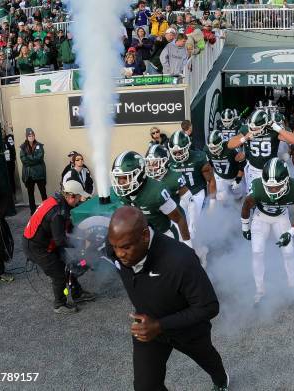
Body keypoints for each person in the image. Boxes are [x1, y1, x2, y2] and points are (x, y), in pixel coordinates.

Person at [106, 206, 229, 391]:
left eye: (125, 247)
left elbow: (209, 307)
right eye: (114, 246)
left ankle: (221, 380)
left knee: (209, 361)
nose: (119, 254)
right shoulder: (116, 248)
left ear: (145, 236)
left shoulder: (180, 260)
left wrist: (160, 325)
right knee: (145, 387)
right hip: (147, 330)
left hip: (188, 331)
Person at [22, 180, 95, 314]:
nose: (79, 201)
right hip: (35, 246)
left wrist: (83, 236)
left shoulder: (60, 202)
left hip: (44, 240)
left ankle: (76, 292)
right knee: (59, 272)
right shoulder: (57, 213)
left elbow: (67, 226)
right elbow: (60, 240)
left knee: (69, 263)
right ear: (71, 196)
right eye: (78, 198)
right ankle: (59, 304)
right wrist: (81, 243)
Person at [241, 158, 294, 304]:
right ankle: (260, 290)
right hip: (260, 217)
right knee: (257, 252)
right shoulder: (257, 188)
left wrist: (290, 232)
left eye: (276, 187)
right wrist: (245, 226)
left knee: (288, 252)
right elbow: (246, 207)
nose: (272, 190)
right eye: (269, 187)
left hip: (281, 217)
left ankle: (292, 285)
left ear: (286, 181)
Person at [111, 150, 191, 245]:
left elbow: (179, 219)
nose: (121, 183)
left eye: (125, 178)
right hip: (143, 237)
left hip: (164, 236)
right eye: (118, 178)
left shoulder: (156, 192)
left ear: (139, 175)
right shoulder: (122, 193)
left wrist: (188, 243)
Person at [227, 109, 294, 194]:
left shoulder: (272, 131)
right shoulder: (246, 129)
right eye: (251, 127)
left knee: (270, 194)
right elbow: (230, 145)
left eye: (256, 127)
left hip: (270, 170)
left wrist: (278, 128)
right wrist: (244, 138)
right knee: (252, 196)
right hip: (254, 169)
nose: (253, 129)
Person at [167, 131, 215, 237]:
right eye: (175, 152)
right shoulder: (169, 161)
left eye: (181, 151)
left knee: (193, 226)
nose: (178, 155)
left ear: (187, 146)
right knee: (180, 223)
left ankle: (197, 247)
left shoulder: (199, 157)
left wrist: (212, 202)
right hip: (180, 195)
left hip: (196, 192)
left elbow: (211, 179)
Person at [204, 129, 245, 202]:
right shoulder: (207, 150)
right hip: (220, 177)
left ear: (221, 143)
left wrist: (238, 180)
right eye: (211, 148)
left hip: (234, 176)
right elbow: (209, 165)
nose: (213, 150)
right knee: (221, 199)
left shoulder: (230, 148)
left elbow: (242, 164)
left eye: (215, 147)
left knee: (238, 196)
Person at [20, 128, 47, 215]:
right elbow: (24, 160)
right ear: (27, 137)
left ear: (34, 136)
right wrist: (33, 159)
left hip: (39, 174)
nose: (31, 137)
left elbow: (39, 158)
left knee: (43, 193)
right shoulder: (23, 147)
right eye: (29, 136)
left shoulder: (39, 145)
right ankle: (33, 212)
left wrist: (29, 159)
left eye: (32, 135)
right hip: (29, 175)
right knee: (30, 195)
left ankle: (46, 210)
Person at [2, 125, 17, 196]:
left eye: (3, 132)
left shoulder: (9, 137)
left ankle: (13, 194)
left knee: (11, 178)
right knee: (5, 179)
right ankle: (9, 195)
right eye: (0, 132)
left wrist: (12, 128)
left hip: (11, 162)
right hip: (3, 164)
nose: (2, 133)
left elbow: (17, 136)